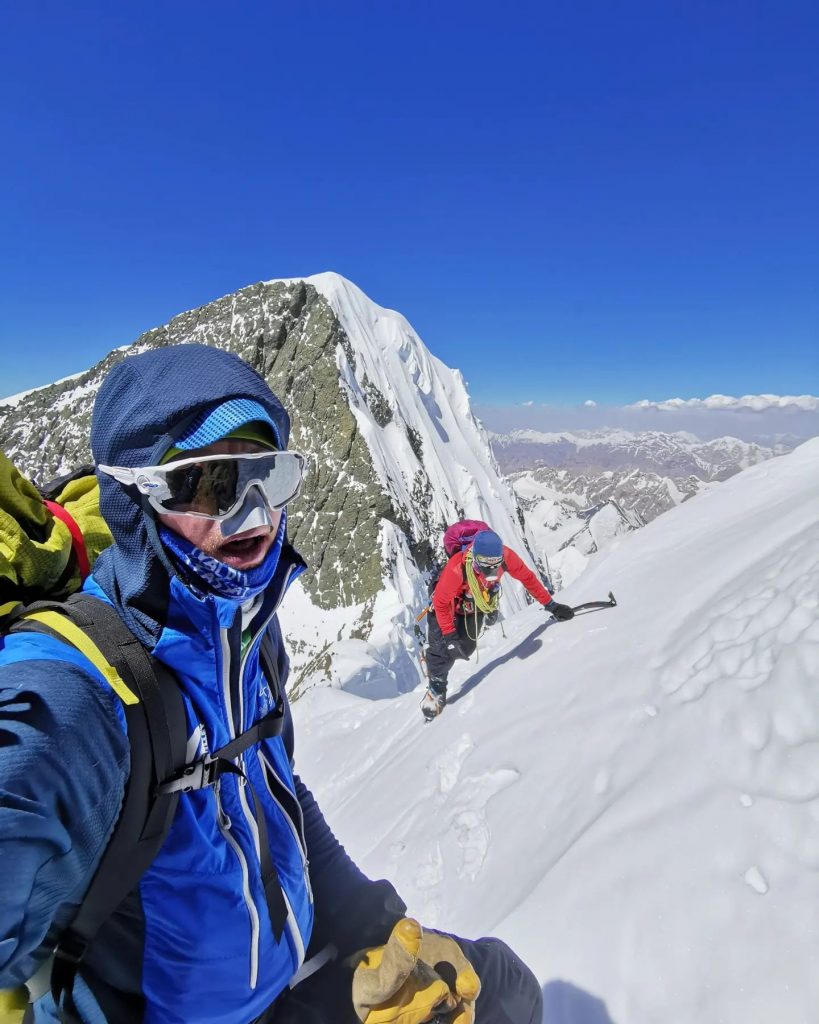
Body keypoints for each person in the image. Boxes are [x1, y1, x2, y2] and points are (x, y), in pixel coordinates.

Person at [0, 344, 542, 1024]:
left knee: (503, 985)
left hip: (282, 980)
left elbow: (269, 785)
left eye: (270, 477)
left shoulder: (245, 635)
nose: (253, 517)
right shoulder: (71, 698)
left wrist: (365, 921)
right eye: (209, 484)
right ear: (132, 497)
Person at [422, 528, 574, 719]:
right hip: (444, 605)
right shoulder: (456, 568)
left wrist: (551, 605)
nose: (492, 571)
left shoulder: (507, 556)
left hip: (471, 604)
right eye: (486, 565)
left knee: (466, 649)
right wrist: (450, 636)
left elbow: (527, 578)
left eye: (495, 564)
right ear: (475, 559)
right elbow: (441, 603)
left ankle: (443, 657)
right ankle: (436, 686)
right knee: (441, 648)